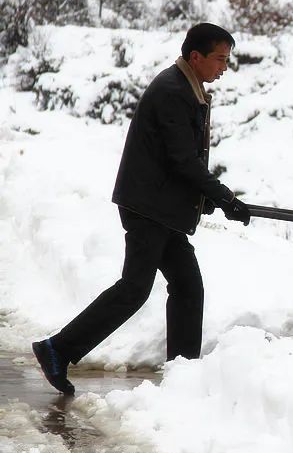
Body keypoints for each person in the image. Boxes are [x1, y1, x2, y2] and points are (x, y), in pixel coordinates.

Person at [32, 23, 251, 395]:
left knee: (187, 287)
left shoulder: (186, 87)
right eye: (220, 59)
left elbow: (178, 160)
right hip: (148, 207)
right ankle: (58, 348)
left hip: (160, 207)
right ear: (195, 56)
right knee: (135, 289)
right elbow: (183, 160)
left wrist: (209, 197)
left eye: (227, 60)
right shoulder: (173, 91)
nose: (224, 67)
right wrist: (224, 196)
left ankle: (183, 378)